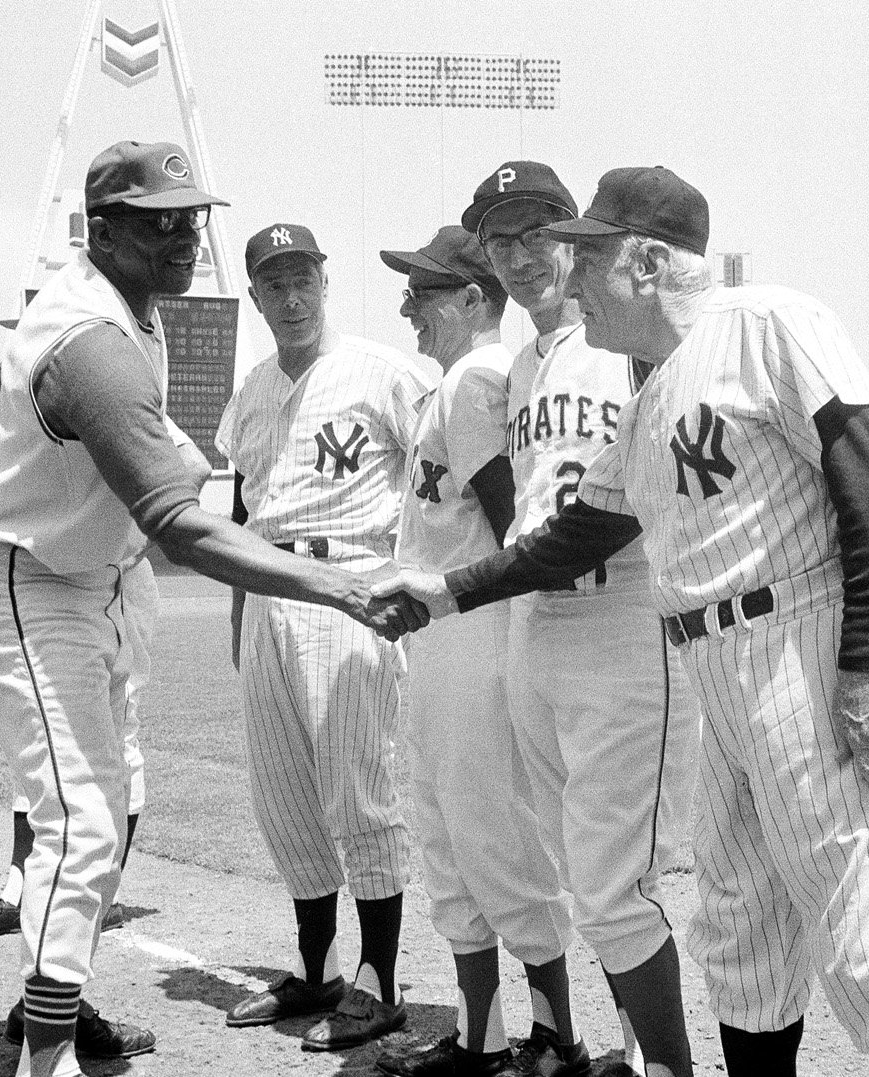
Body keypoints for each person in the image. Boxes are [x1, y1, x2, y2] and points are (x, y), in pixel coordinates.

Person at [376, 166, 869, 1077]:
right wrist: (447, 593)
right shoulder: (649, 398)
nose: (568, 276)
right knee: (743, 941)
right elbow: (573, 536)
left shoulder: (768, 323)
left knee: (868, 933)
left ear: (645, 263)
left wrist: (864, 671)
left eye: (587, 255)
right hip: (715, 661)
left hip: (806, 640)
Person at [0, 140, 424, 1077]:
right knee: (82, 821)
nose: (182, 235)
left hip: (96, 579)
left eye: (190, 216)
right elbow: (182, 522)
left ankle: (62, 995)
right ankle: (44, 1058)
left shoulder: (137, 313)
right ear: (104, 231)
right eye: (158, 220)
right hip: (30, 579)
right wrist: (339, 584)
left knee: (118, 805)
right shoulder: (90, 341)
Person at [453, 161, 701, 1077]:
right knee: (579, 867)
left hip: (622, 616)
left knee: (613, 882)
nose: (519, 258)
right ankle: (629, 1057)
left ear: (578, 237)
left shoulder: (621, 336)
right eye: (499, 240)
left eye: (536, 234)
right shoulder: (519, 366)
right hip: (538, 630)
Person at [372, 226, 586, 1077]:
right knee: (448, 837)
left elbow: (510, 521)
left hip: (476, 636)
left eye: (423, 292)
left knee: (491, 836)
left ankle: (555, 1036)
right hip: (446, 637)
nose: (407, 308)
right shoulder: (458, 381)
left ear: (472, 300)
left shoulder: (475, 378)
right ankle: (481, 1038)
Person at [216, 221, 432, 1052]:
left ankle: (382, 982)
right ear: (257, 295)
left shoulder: (384, 372)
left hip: (352, 586)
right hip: (270, 592)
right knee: (285, 801)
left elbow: (436, 477)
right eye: (275, 283)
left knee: (358, 792)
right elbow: (241, 515)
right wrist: (243, 618)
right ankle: (318, 971)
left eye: (303, 277)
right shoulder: (253, 393)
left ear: (325, 282)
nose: (293, 296)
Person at [0, 421, 211, 945]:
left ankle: (101, 895)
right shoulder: (26, 397)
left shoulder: (96, 368)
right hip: (56, 581)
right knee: (45, 745)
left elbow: (194, 466)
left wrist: (128, 540)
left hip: (113, 583)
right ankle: (21, 888)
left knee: (115, 744)